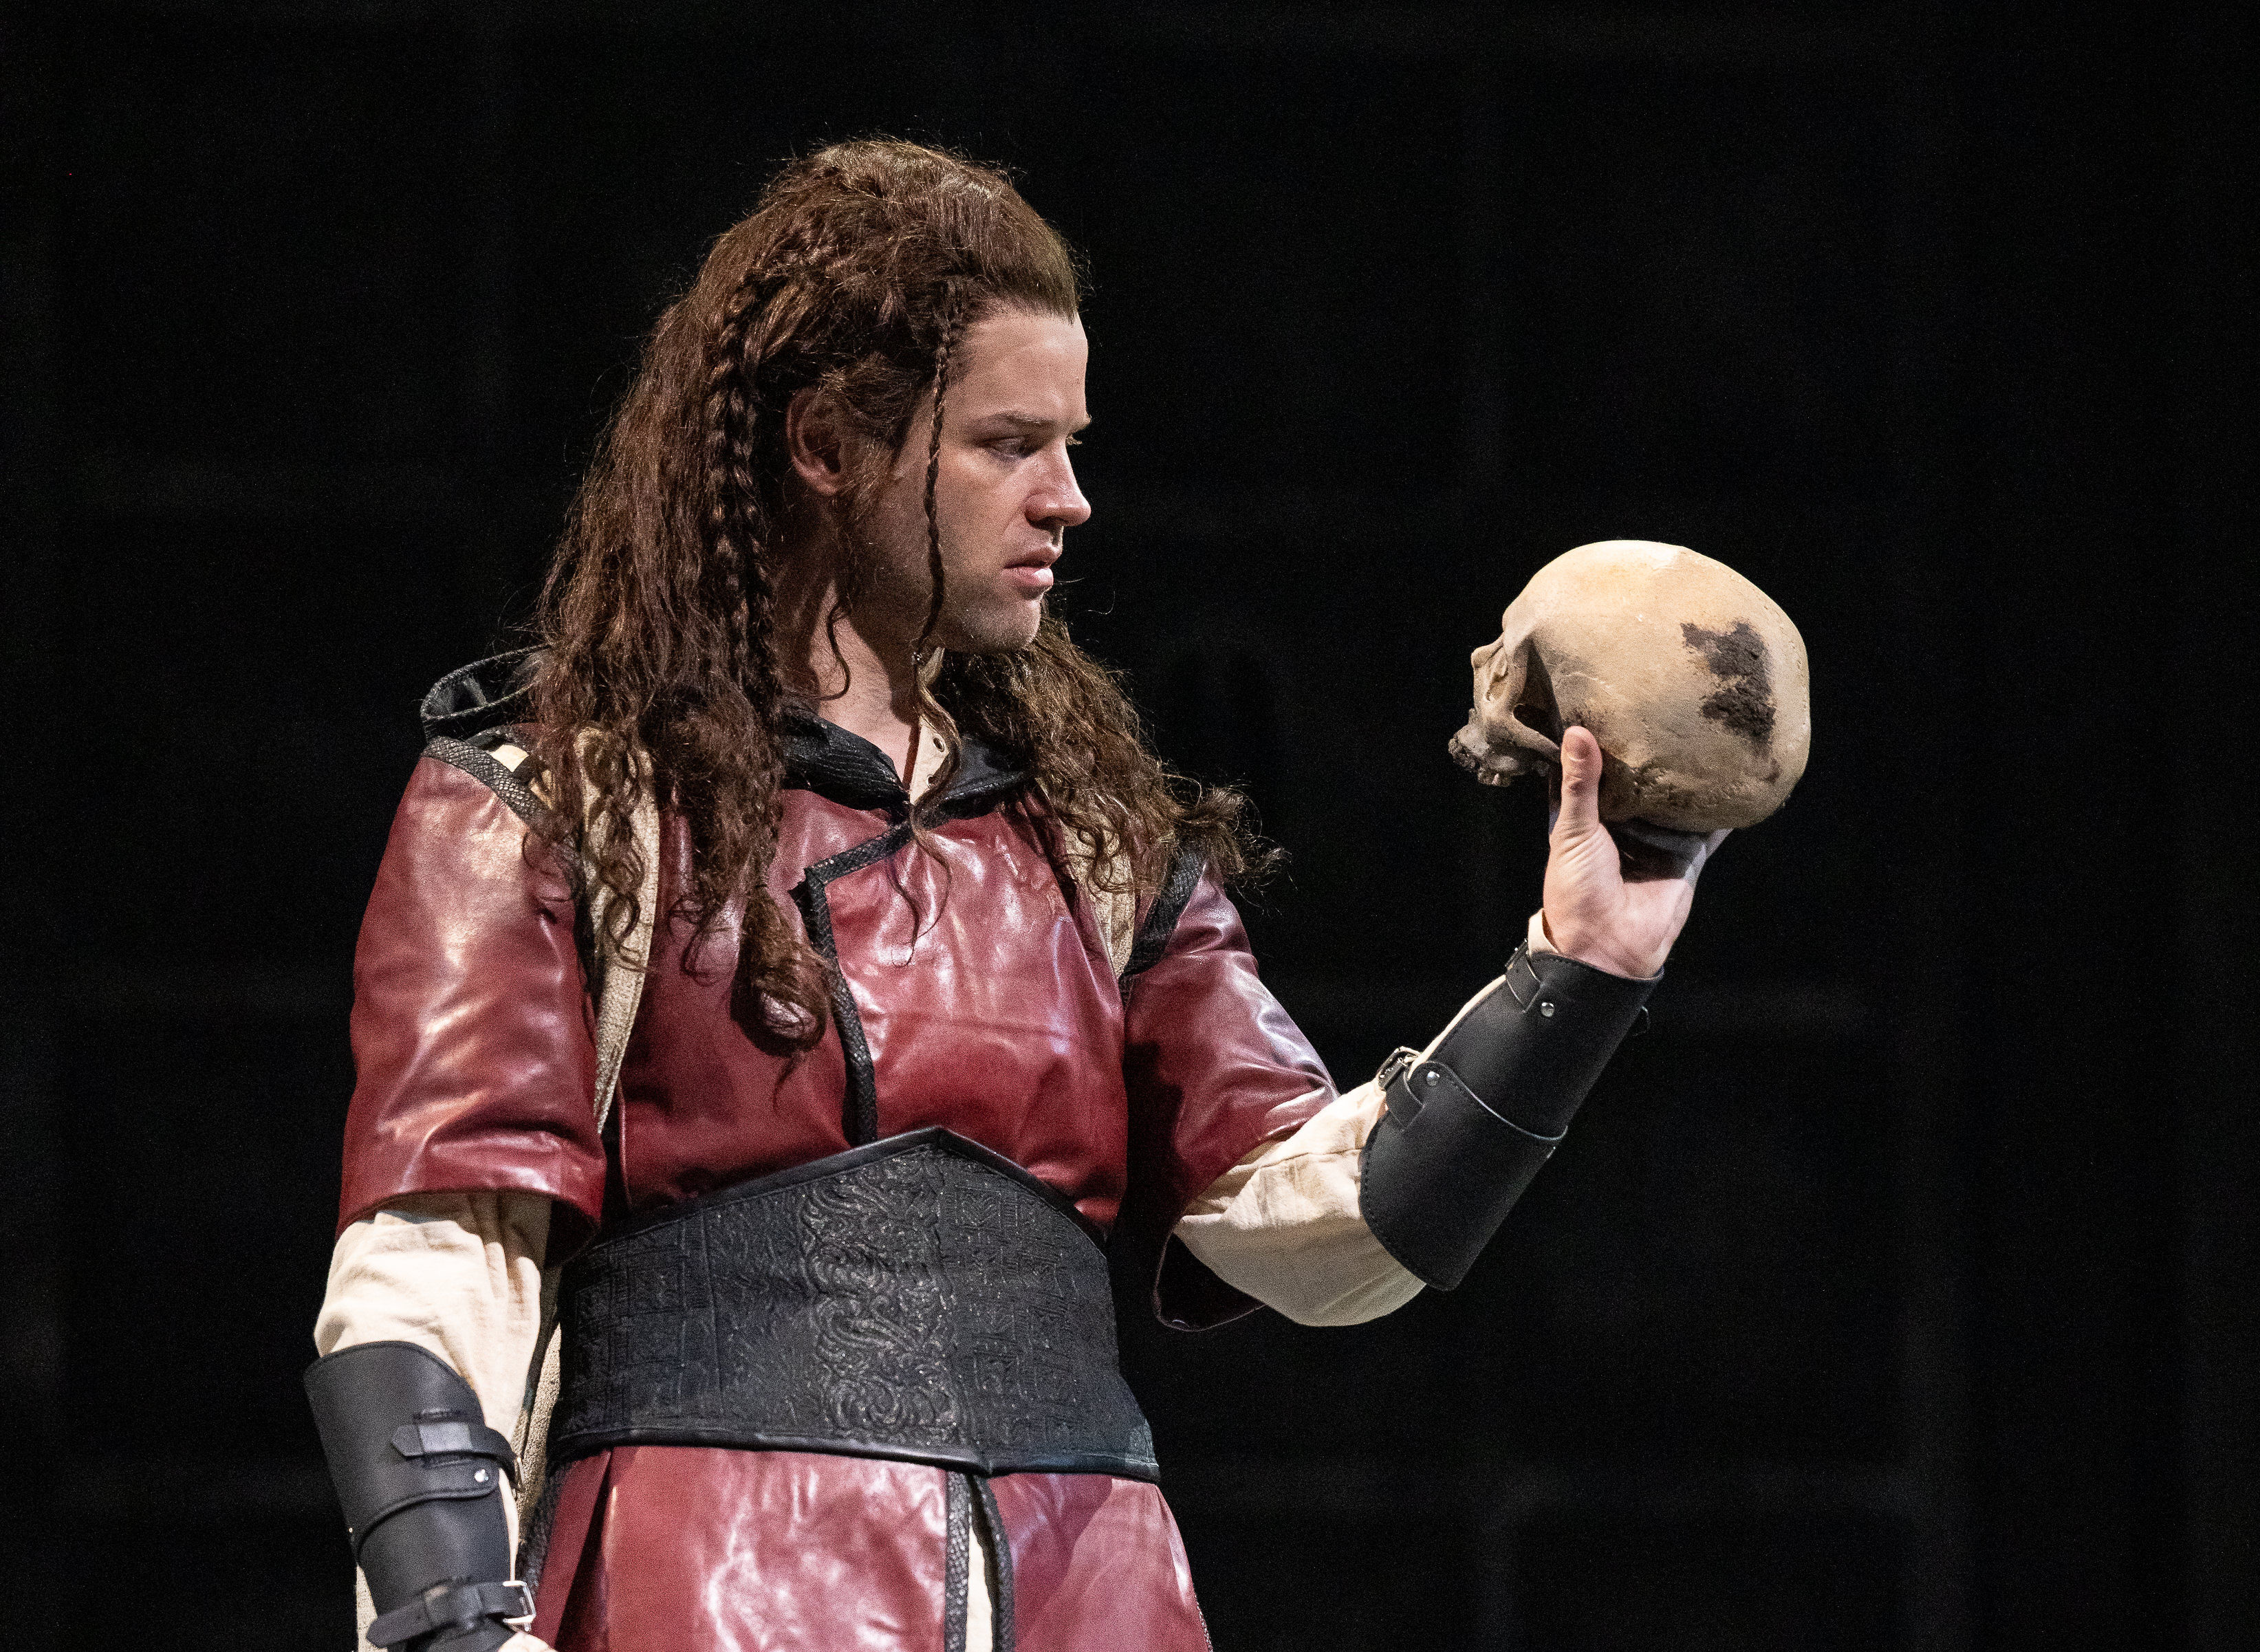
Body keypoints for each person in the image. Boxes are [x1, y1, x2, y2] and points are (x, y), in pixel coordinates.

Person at [305, 140, 1713, 1652]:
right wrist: (456, 1627)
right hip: (712, 1581)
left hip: (1090, 1584)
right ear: (833, 443)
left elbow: (1321, 1224)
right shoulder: (554, 800)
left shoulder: (1091, 841)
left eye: (1073, 443)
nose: (1071, 499)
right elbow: (435, 1262)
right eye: (1008, 444)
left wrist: (1575, 971)